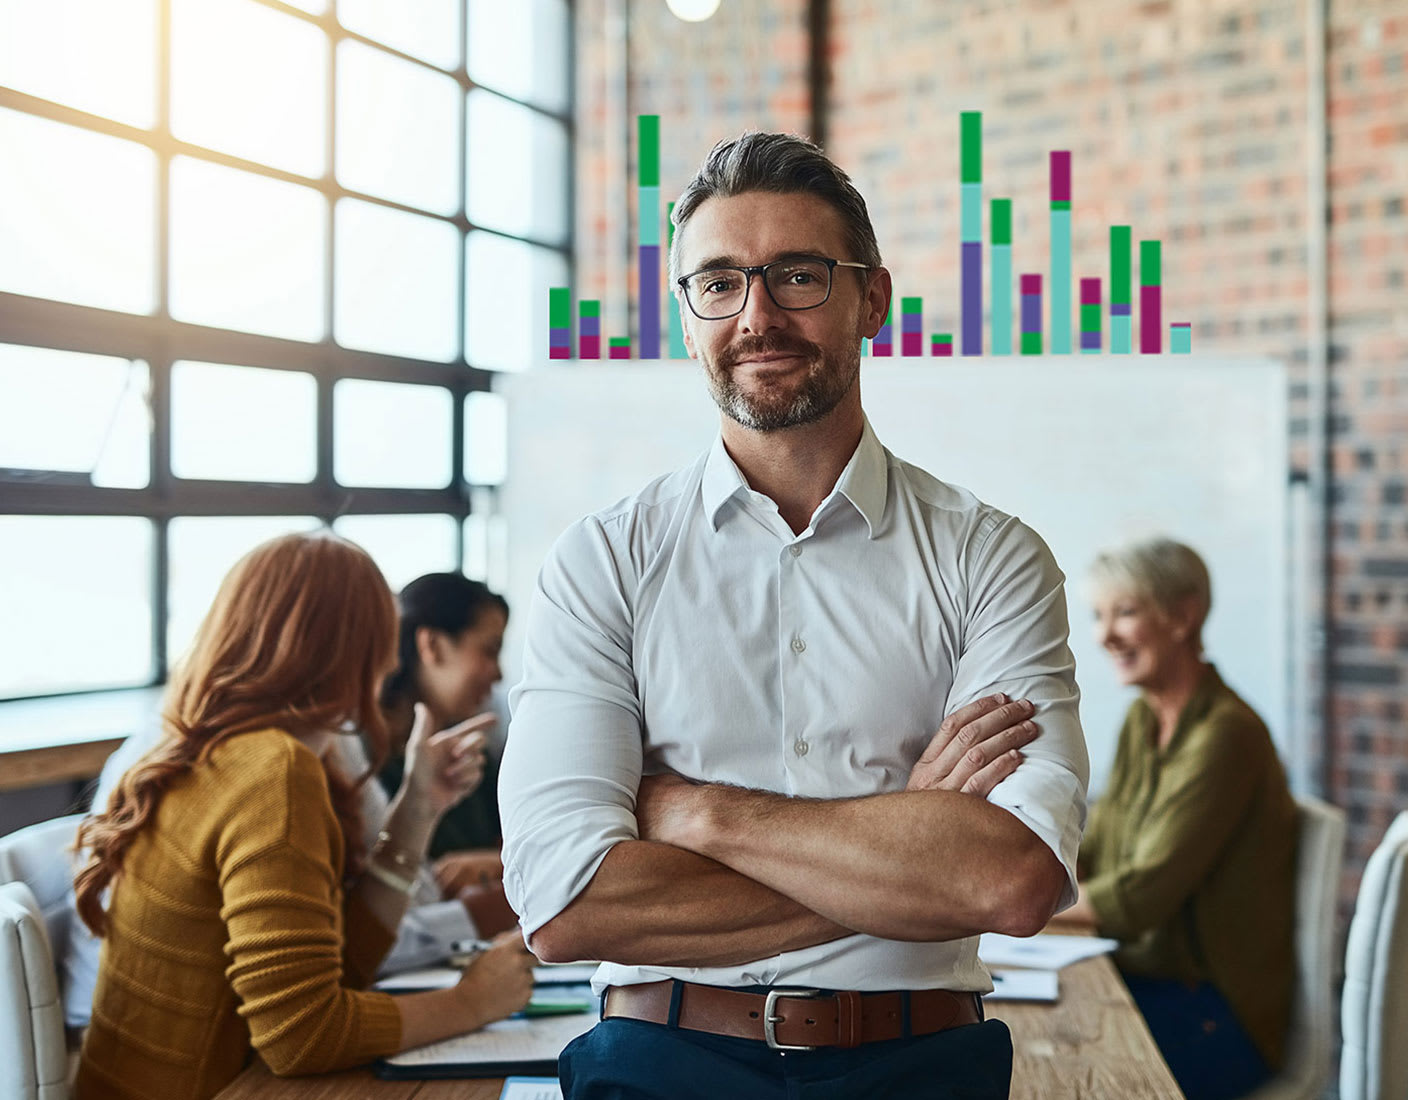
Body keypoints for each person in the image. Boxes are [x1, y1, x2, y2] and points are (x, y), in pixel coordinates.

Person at [498, 132, 1090, 1099]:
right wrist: (910, 841)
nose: (758, 315)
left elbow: (1009, 880)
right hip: (658, 1061)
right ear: (687, 315)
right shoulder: (603, 560)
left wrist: (692, 811)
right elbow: (565, 905)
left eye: (799, 276)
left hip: (920, 1062)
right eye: (720, 282)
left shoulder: (992, 558)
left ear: (873, 299)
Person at [72, 532, 534, 1100]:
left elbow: (338, 971)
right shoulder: (275, 770)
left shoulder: (227, 747)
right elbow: (300, 1037)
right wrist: (471, 1003)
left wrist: (417, 809)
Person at [1056, 537, 1297, 1100]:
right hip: (1148, 980)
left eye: (1126, 612)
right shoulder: (1143, 720)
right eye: (1099, 615)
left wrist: (1011, 906)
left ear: (1184, 616)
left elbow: (1140, 897)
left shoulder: (1227, 735)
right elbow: (1093, 848)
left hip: (1216, 1015)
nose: (1104, 635)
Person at [377, 572, 516, 931]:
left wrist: (496, 863)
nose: (498, 674)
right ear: (433, 646)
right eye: (489, 650)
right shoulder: (362, 762)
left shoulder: (476, 756)